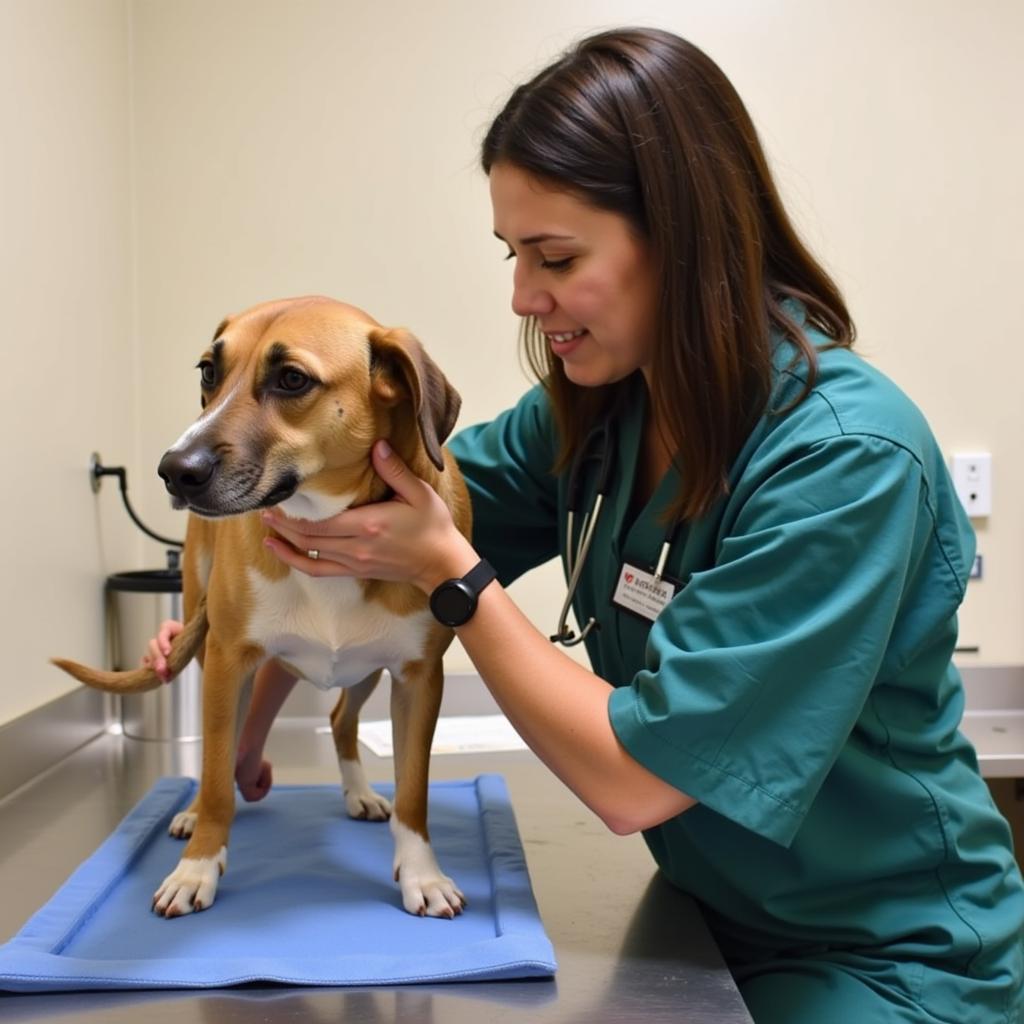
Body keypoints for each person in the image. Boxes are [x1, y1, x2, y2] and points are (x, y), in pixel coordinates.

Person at [144, 27, 1024, 1024]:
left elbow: (633, 783)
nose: (523, 296)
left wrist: (459, 580)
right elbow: (384, 517)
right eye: (513, 253)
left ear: (683, 240)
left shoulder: (844, 461)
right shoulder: (597, 408)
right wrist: (237, 639)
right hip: (702, 919)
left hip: (884, 961)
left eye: (554, 256)